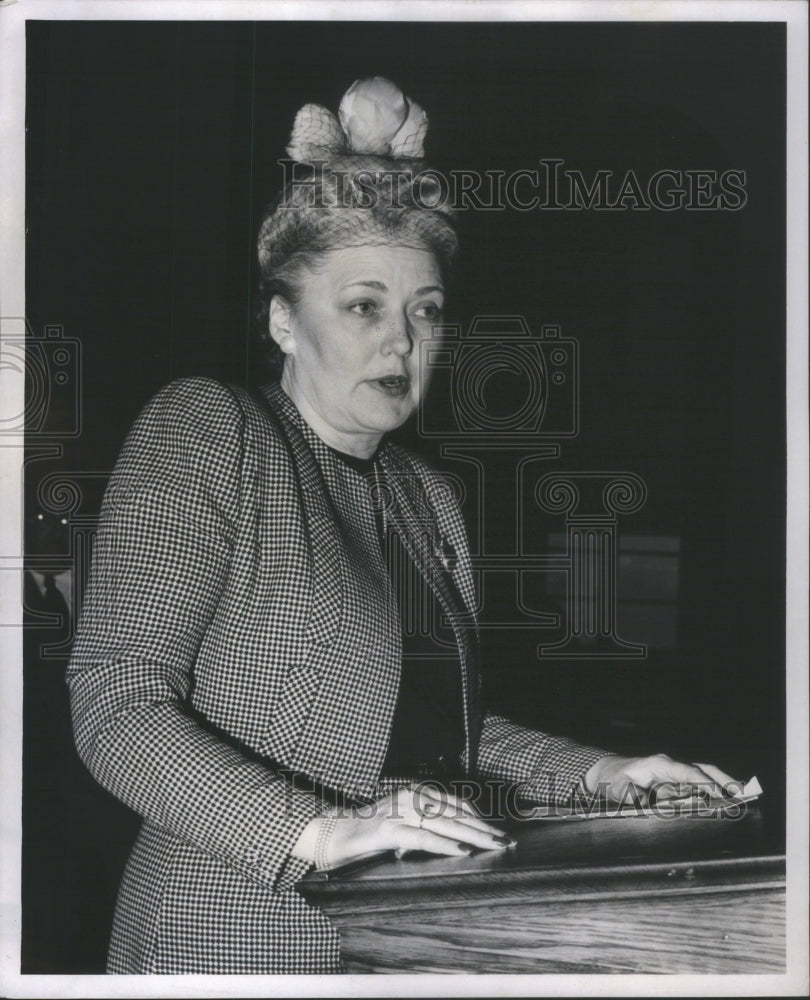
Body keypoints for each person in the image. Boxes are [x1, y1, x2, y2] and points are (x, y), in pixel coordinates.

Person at [67, 77, 738, 975]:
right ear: (282, 321)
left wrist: (603, 777)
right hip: (232, 934)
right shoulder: (209, 431)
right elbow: (117, 703)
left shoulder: (428, 498)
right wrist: (319, 829)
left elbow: (444, 739)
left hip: (406, 937)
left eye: (426, 312)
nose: (402, 343)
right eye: (363, 306)